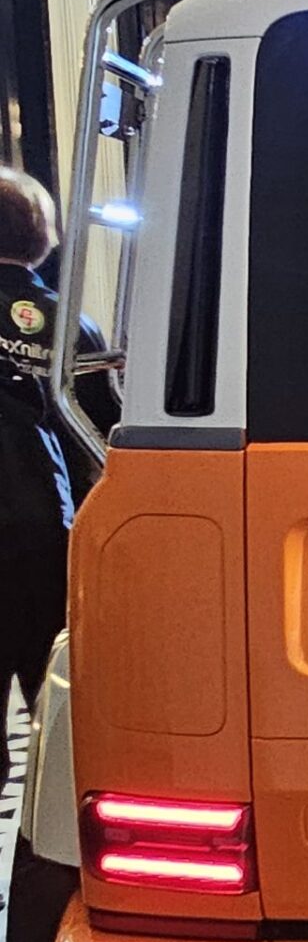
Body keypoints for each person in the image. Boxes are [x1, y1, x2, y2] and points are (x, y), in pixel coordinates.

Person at [0, 168, 117, 794]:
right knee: (55, 703)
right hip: (46, 533)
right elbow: (106, 437)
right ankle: (46, 832)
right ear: (43, 238)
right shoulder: (74, 325)